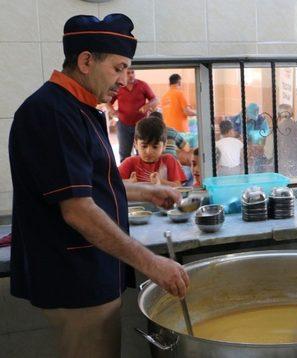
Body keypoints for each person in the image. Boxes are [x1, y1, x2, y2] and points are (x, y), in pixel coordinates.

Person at [8, 14, 189, 358]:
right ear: (86, 61)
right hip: (73, 274)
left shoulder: (81, 108)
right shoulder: (52, 113)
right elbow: (78, 210)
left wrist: (147, 192)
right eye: (118, 68)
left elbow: (90, 185)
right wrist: (152, 264)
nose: (125, 80)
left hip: (90, 268)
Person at [106, 68, 158, 162]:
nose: (131, 75)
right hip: (123, 125)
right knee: (124, 153)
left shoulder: (142, 85)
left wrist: (147, 105)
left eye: (132, 72)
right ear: (124, 74)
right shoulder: (119, 87)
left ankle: (142, 174)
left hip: (141, 126)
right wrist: (113, 111)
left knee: (142, 152)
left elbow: (155, 99)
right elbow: (107, 101)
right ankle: (125, 174)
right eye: (128, 73)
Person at [118, 116, 187, 187]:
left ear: (164, 145)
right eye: (144, 146)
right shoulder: (130, 162)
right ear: (135, 144)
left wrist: (161, 182)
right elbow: (112, 182)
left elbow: (178, 187)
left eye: (155, 147)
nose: (149, 151)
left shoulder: (169, 160)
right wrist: (128, 182)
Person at [264, 103, 297, 178]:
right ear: (293, 114)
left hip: (283, 172)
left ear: (278, 115)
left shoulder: (274, 130)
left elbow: (268, 154)